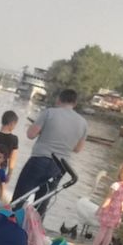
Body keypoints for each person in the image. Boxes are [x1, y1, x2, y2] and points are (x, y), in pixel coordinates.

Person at [12, 88, 87, 217]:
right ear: (75, 103)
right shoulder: (83, 123)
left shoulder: (49, 113)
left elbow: (31, 134)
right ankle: (33, 233)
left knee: (20, 197)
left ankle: (8, 224)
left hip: (39, 160)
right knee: (42, 204)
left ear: (59, 99)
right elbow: (77, 149)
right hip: (59, 167)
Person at [86, 162, 123, 245]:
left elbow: (108, 199)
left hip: (109, 210)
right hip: (117, 212)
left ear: (121, 173)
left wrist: (101, 208)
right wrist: (120, 214)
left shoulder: (115, 185)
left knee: (102, 230)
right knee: (110, 232)